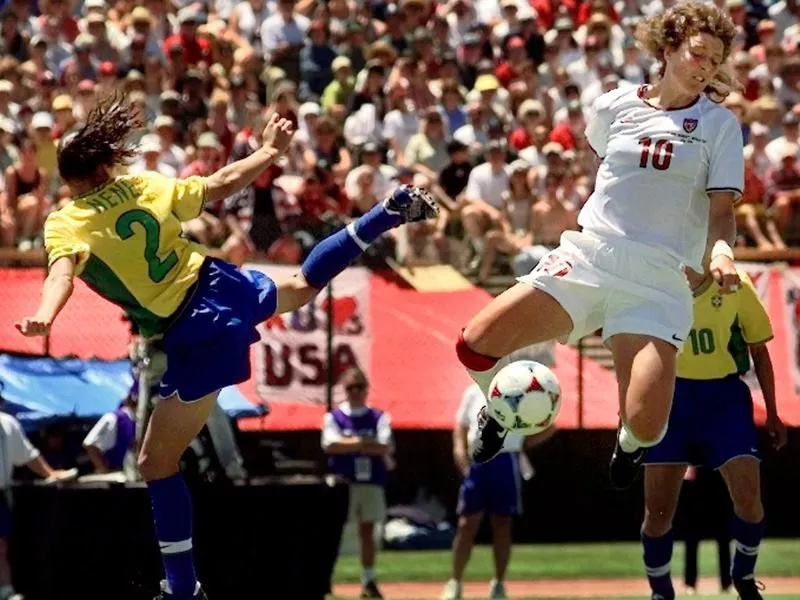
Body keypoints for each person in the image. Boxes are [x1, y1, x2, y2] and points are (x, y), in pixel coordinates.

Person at [14, 94, 436, 600]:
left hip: (192, 329)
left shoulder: (65, 221)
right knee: (301, 284)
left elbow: (60, 273)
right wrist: (267, 152)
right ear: (107, 164)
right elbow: (217, 186)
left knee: (154, 465)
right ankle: (383, 214)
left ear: (71, 177)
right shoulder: (143, 184)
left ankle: (183, 588)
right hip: (217, 282)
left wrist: (45, 313)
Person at [455, 2, 745, 493]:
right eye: (698, 53)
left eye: (715, 60)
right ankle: (496, 410)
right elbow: (610, 165)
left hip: (658, 283)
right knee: (475, 344)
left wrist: (721, 252)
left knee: (650, 427)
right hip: (591, 257)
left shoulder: (720, 126)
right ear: (669, 47)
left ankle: (629, 442)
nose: (705, 67)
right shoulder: (614, 105)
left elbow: (722, 212)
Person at [639, 265, 786, 600]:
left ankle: (744, 576)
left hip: (724, 399)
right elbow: (631, 350)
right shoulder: (655, 279)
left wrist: (773, 413)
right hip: (670, 398)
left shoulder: (736, 284)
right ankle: (661, 590)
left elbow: (759, 351)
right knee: (658, 513)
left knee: (749, 496)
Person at [442, 345, 557, 600]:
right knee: (466, 523)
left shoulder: (518, 391)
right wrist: (460, 452)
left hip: (506, 461)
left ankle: (499, 583)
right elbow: (460, 426)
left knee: (502, 523)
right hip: (479, 462)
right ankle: (455, 582)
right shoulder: (473, 393)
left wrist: (524, 444)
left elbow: (547, 426)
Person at [0, 380, 76, 600]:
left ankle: (5, 590)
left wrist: (51, 473)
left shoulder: (7, 424)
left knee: (1, 545)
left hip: (0, 496)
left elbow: (28, 455)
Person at [322, 367, 393, 600]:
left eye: (359, 387)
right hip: (342, 483)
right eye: (350, 388)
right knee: (334, 532)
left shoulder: (378, 416)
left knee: (368, 530)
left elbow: (384, 446)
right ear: (344, 389)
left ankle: (368, 580)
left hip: (371, 481)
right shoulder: (334, 417)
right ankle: (326, 580)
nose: (355, 392)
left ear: (366, 389)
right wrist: (364, 441)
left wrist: (348, 443)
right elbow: (330, 445)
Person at [83, 378, 137, 474]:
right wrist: (105, 471)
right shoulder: (114, 418)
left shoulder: (139, 421)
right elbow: (90, 445)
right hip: (116, 476)